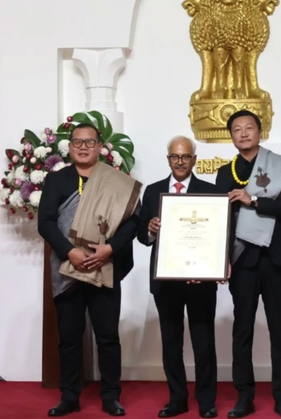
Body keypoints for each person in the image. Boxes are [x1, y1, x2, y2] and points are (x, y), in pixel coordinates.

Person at [38, 123, 141, 417]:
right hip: (67, 268)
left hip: (104, 265)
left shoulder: (117, 181)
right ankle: (69, 396)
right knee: (69, 337)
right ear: (69, 147)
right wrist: (69, 251)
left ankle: (111, 396)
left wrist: (110, 248)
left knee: (107, 336)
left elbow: (133, 221)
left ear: (100, 147)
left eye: (89, 142)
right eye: (77, 142)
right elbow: (45, 222)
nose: (83, 147)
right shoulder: (56, 180)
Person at [215, 110, 281, 419]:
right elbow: (222, 219)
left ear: (260, 131)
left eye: (249, 128)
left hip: (275, 256)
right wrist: (223, 259)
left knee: (279, 328)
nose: (243, 133)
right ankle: (244, 396)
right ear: (231, 136)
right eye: (237, 129)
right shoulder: (226, 173)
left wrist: (253, 201)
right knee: (242, 329)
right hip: (242, 259)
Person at [138, 136, 219, 419]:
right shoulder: (153, 191)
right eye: (175, 157)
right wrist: (150, 229)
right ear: (168, 159)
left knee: (203, 342)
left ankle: (206, 401)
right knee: (171, 343)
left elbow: (218, 235)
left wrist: (210, 267)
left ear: (194, 159)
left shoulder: (210, 192)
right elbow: (141, 235)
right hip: (166, 281)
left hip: (201, 281)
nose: (180, 162)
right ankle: (177, 399)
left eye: (185, 157)